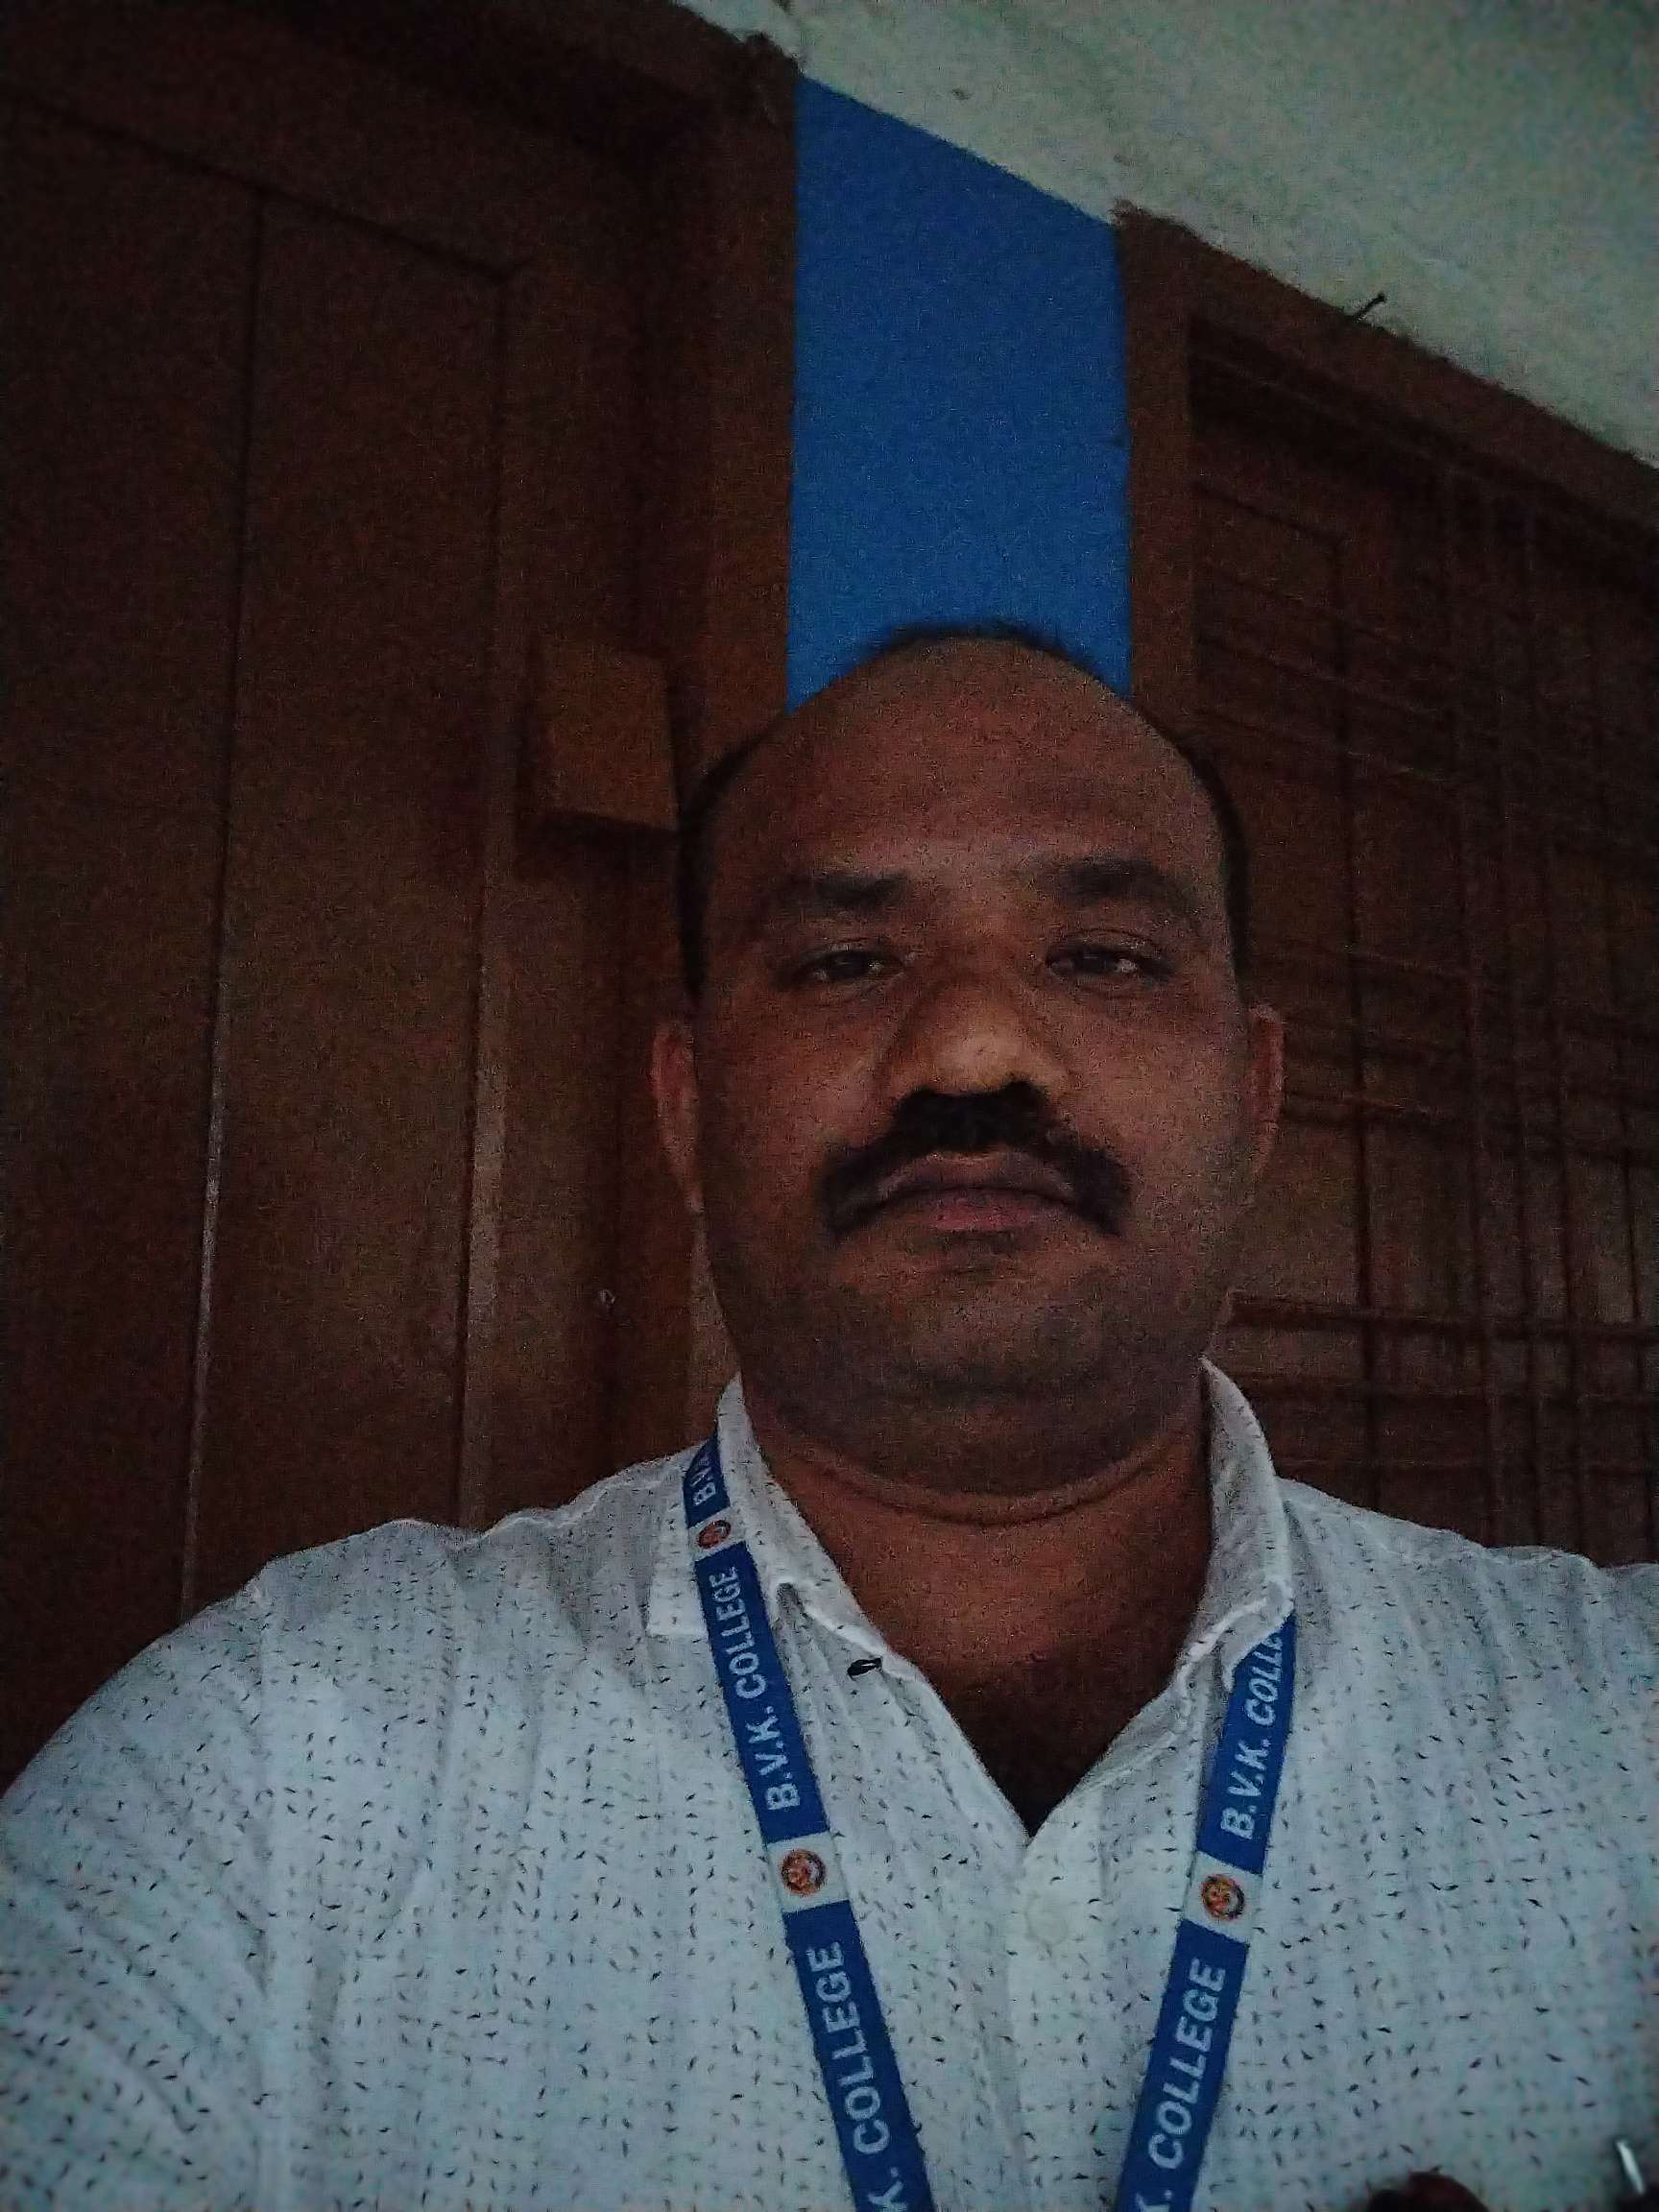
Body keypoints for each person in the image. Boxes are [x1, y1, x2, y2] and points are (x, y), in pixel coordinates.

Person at [1, 627, 1653, 2211]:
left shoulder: (1621, 1731)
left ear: (1256, 1095)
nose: (975, 1047)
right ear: (688, 1105)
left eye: (1105, 957)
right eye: (848, 962)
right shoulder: (269, 1770)